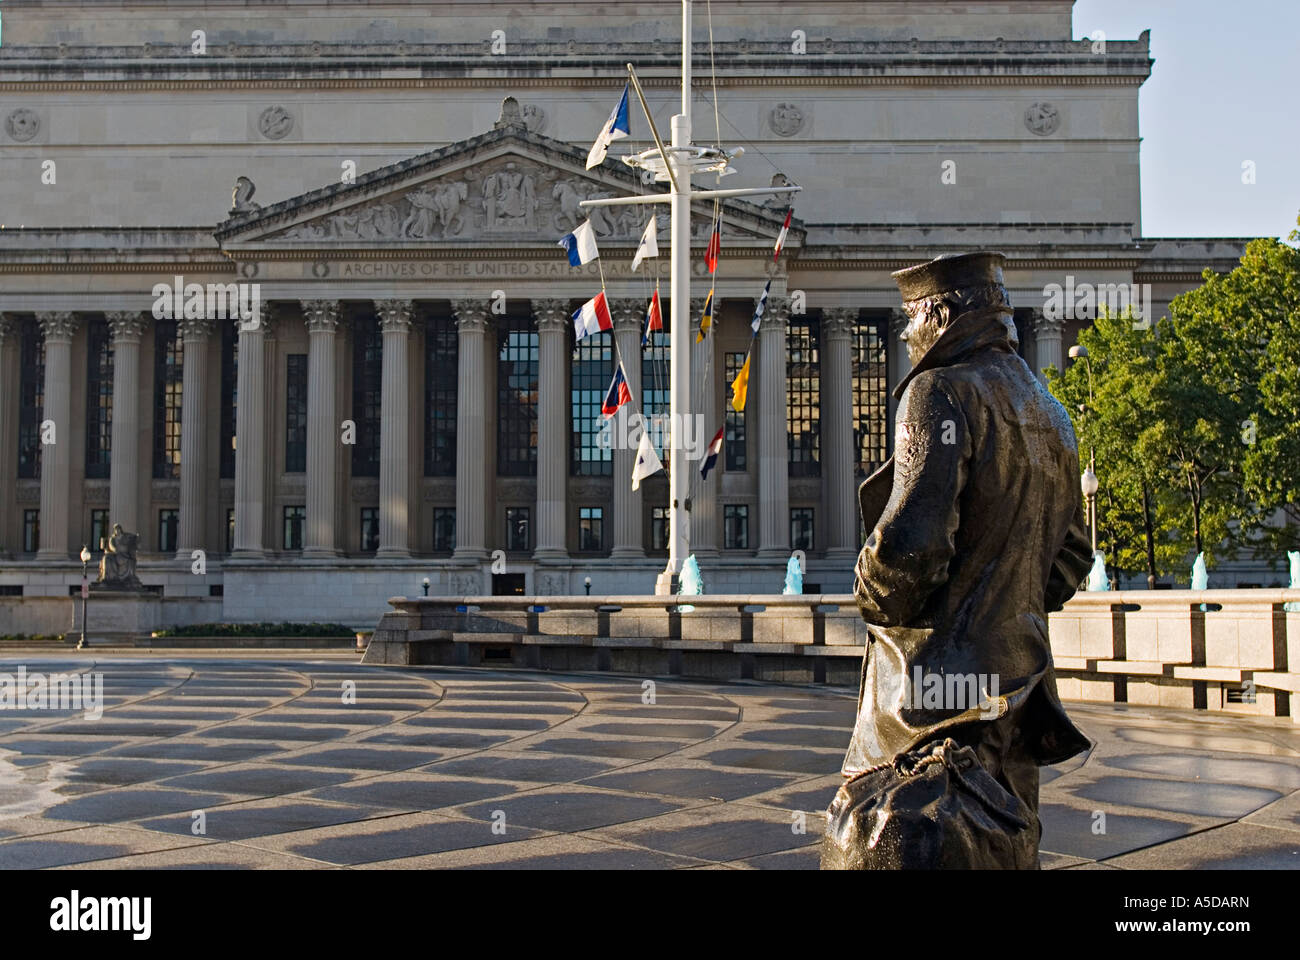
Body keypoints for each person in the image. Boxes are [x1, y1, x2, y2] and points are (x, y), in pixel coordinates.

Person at [835, 251, 1093, 862]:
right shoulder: (1050, 412)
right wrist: (1012, 599)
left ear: (942, 316)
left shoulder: (939, 391)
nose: (904, 334)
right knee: (1005, 837)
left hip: (937, 690)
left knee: (905, 837)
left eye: (911, 318)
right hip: (1019, 679)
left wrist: (872, 587)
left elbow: (913, 546)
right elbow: (1074, 555)